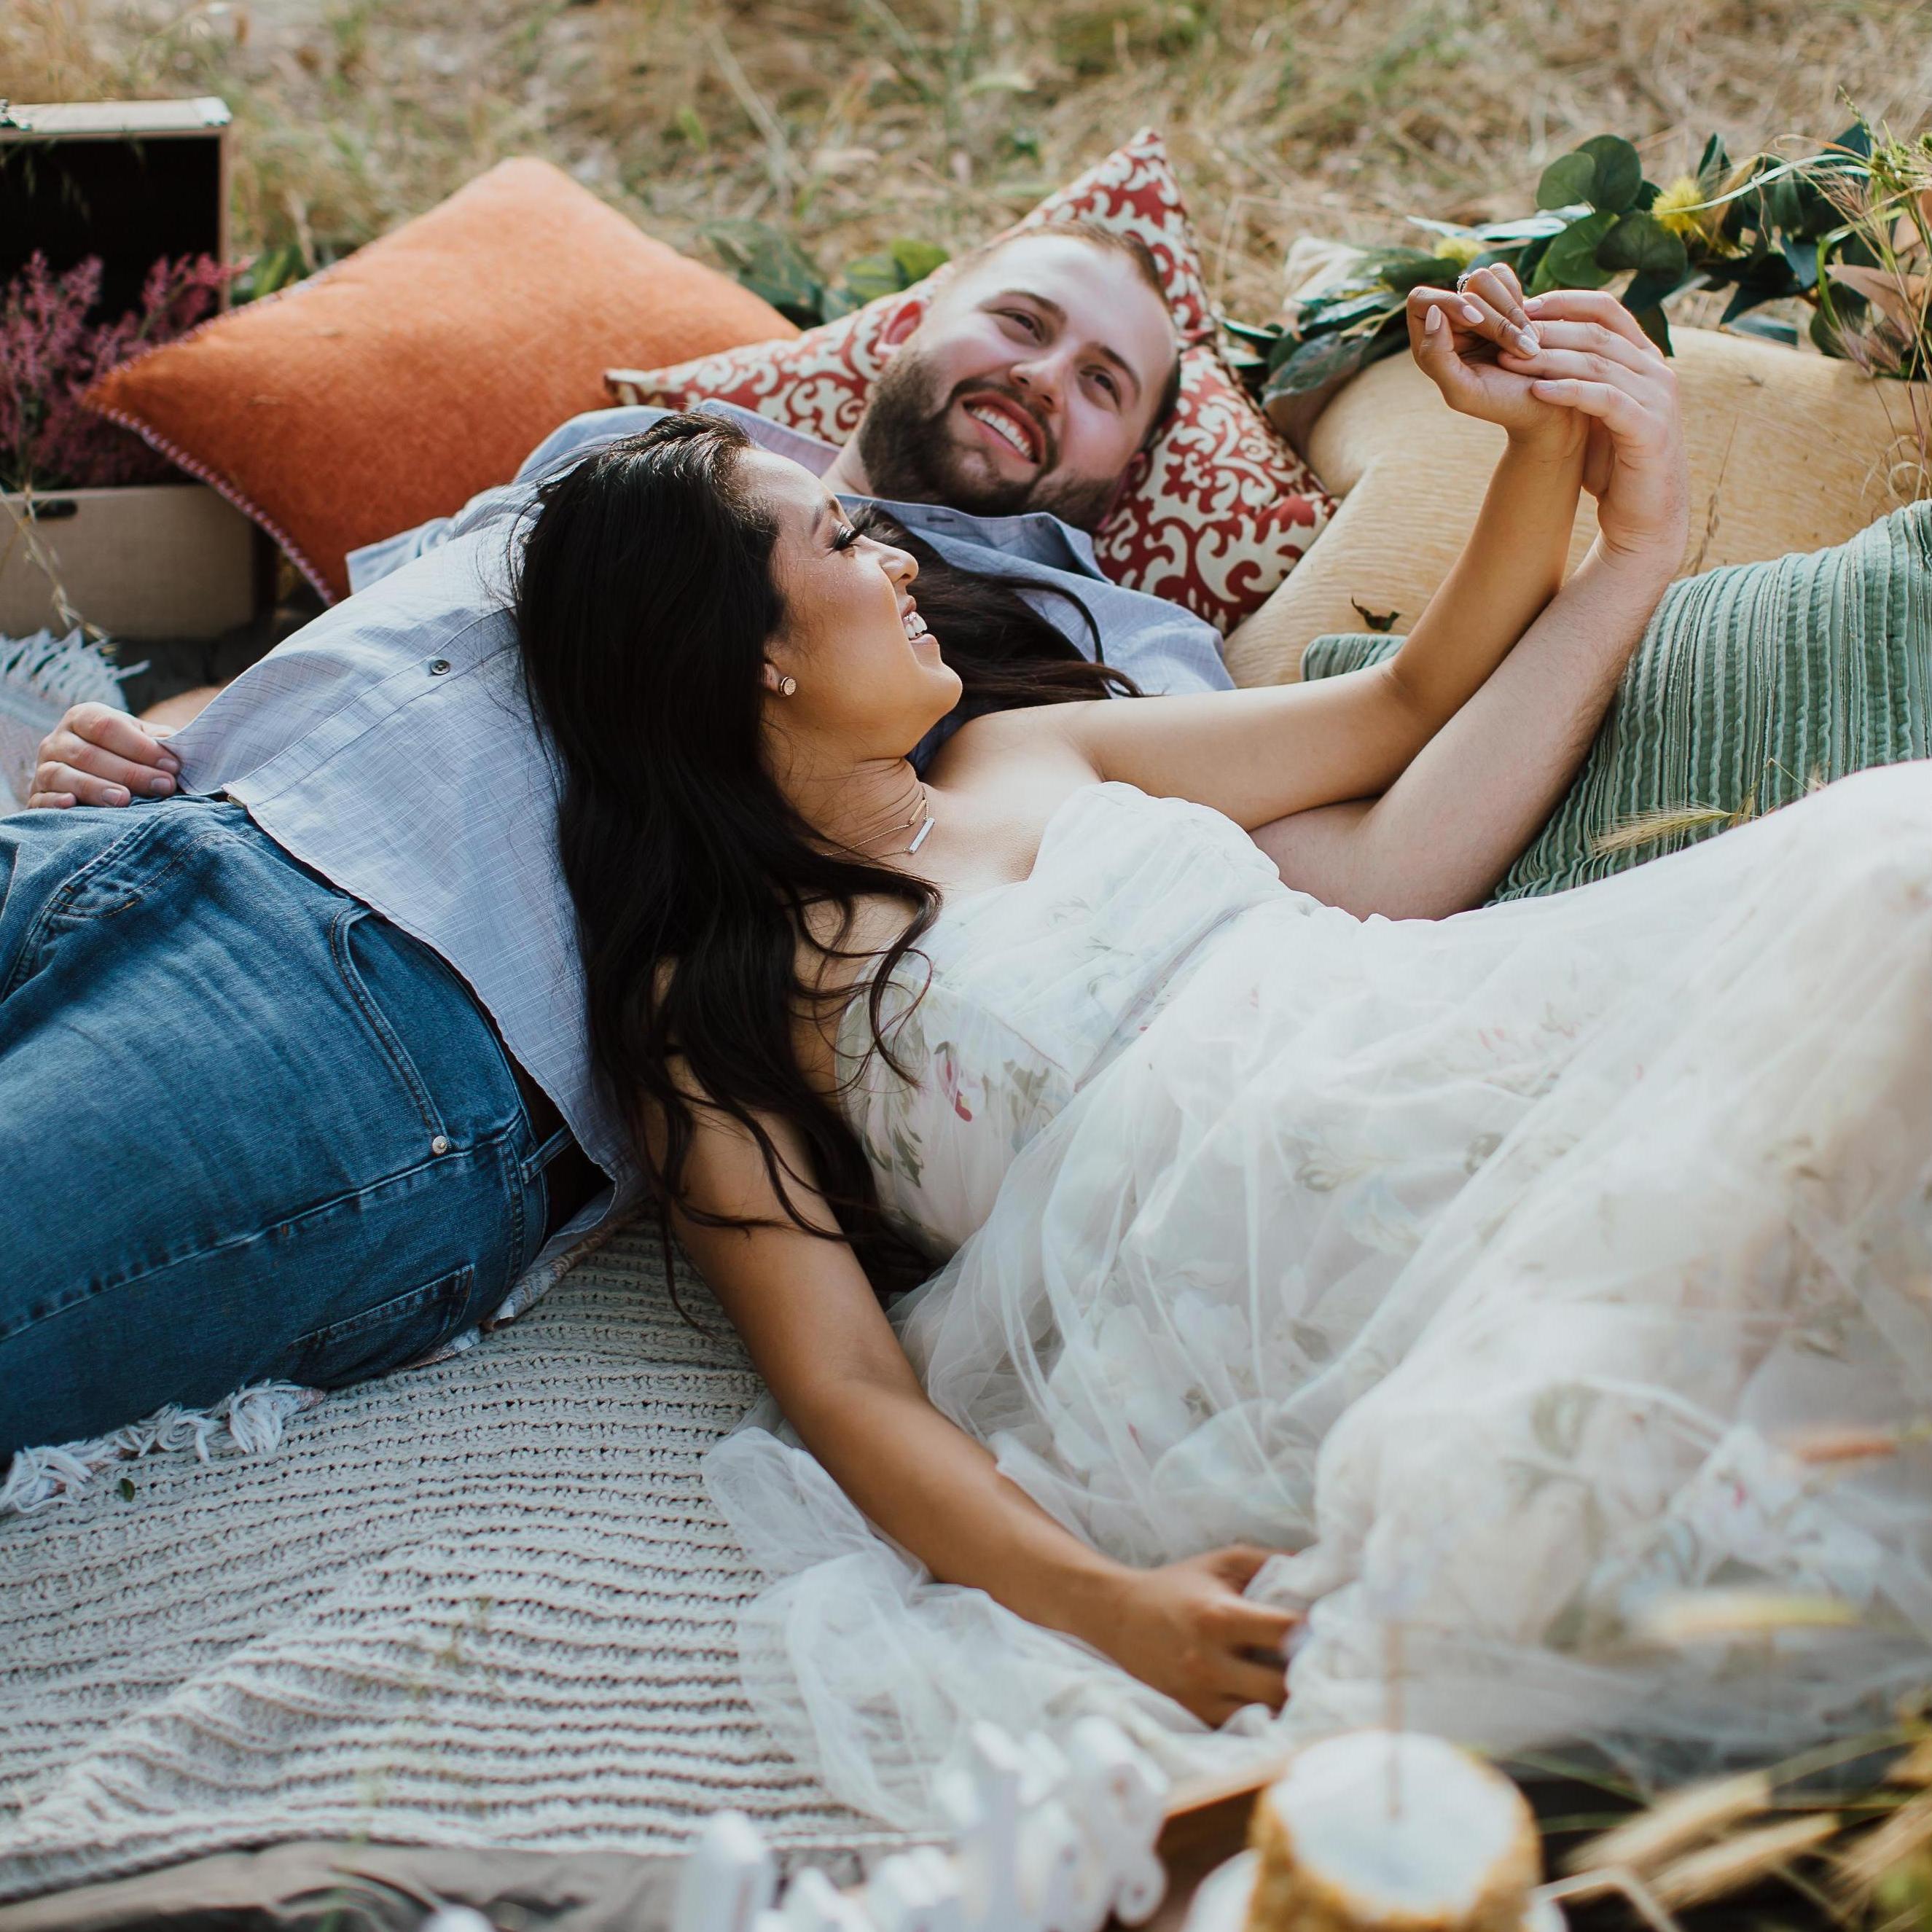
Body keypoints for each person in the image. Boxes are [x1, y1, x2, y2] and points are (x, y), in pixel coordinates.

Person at [498, 286, 1932, 1815]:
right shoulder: (713, 1001)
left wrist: (1544, 463)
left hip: (1421, 1047)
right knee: (1617, 1463)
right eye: (843, 541)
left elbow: (1407, 704)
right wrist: (1108, 1608)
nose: (901, 555)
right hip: (1253, 1281)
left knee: (1893, 875)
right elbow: (845, 1383)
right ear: (745, 651)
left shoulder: (1026, 750)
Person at [0, 218, 1392, 1466]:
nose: (1042, 377)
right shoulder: (635, 449)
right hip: (139, 838)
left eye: (1103, 385)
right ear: (912, 324)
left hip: (393, 1001)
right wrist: (126, 742)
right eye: (1022, 322)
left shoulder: (1111, 648)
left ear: (1131, 471)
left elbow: (1310, 887)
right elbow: (332, 644)